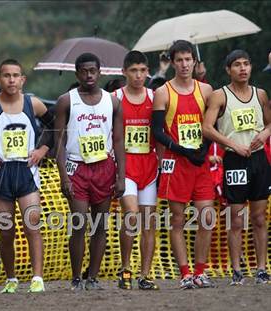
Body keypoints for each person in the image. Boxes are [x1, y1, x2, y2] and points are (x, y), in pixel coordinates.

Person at [0, 59, 54, 293]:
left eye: (15, 75)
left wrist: (42, 150)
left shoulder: (34, 104)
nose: (11, 80)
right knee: (6, 230)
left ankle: (37, 278)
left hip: (26, 171)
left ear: (23, 80)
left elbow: (54, 126)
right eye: (6, 75)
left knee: (33, 225)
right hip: (1, 173)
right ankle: (11, 278)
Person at [54, 53, 125, 291]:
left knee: (99, 225)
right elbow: (60, 143)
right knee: (79, 223)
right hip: (76, 167)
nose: (89, 75)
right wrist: (63, 176)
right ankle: (76, 277)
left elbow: (117, 140)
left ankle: (92, 277)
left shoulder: (112, 102)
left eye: (93, 71)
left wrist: (121, 176)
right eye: (84, 71)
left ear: (100, 72)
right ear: (77, 74)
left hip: (104, 167)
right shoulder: (66, 101)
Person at [202, 50, 271, 285]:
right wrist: (232, 144)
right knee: (236, 219)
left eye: (246, 64)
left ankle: (262, 269)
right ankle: (237, 270)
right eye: (237, 65)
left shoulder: (260, 94)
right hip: (235, 160)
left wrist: (264, 133)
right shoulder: (220, 96)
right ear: (228, 70)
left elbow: (270, 123)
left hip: (259, 160)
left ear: (251, 67)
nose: (242, 69)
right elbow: (207, 128)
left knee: (260, 217)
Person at [151, 40, 215, 289]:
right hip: (176, 163)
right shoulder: (163, 92)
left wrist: (204, 150)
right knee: (177, 220)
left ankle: (201, 271)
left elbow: (213, 127)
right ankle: (185, 273)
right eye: (179, 60)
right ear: (173, 62)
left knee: (206, 217)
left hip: (199, 163)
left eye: (188, 59)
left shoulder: (207, 90)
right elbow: (158, 131)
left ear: (194, 61)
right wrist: (182, 150)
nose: (185, 64)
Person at [113, 51, 160, 290]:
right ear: (124, 72)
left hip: (149, 167)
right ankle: (125, 268)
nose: (139, 75)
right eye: (133, 70)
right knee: (131, 215)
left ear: (148, 71)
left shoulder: (155, 97)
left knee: (149, 222)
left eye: (142, 70)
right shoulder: (114, 98)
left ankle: (145, 274)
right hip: (125, 167)